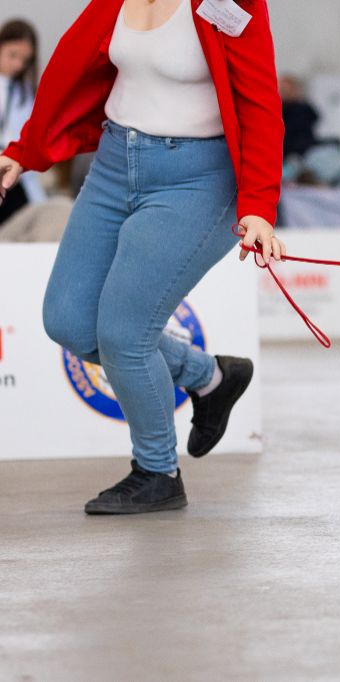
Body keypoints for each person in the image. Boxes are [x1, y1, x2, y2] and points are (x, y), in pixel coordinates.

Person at [0, 0, 286, 515]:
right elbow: (72, 66)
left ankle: (158, 472)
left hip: (196, 177)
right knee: (68, 320)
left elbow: (260, 99)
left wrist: (260, 205)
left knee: (124, 334)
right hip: (114, 164)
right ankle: (210, 377)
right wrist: (25, 151)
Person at [0, 19, 45, 225]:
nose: (18, 65)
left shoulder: (26, 92)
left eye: (25, 60)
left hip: (16, 179)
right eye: (13, 55)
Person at [280, 74, 320, 159]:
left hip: (299, 153)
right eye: (282, 89)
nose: (283, 92)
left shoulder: (302, 109)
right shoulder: (280, 109)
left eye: (286, 89)